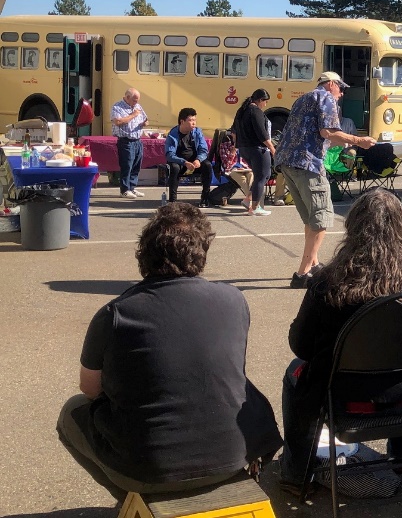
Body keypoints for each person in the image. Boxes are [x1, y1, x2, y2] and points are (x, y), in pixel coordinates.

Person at [56, 204, 282, 501]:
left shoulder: (116, 312)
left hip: (148, 469)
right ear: (202, 252)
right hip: (234, 455)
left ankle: (131, 495)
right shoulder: (233, 299)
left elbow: (89, 388)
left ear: (143, 252)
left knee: (71, 412)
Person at [279, 189, 402, 492]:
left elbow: (301, 345)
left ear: (353, 226)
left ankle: (296, 474)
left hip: (341, 396)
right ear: (401, 228)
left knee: (295, 374)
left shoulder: (328, 280)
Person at [275, 71, 376, 289]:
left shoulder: (303, 98)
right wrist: (359, 141)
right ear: (330, 84)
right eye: (341, 88)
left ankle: (314, 263)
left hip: (288, 162)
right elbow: (328, 132)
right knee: (321, 218)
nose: (341, 93)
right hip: (308, 163)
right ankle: (302, 274)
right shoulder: (326, 97)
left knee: (311, 218)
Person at [233, 89, 277, 216]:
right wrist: (272, 148)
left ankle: (248, 199)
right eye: (265, 102)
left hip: (244, 148)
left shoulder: (241, 110)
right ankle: (255, 207)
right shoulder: (255, 111)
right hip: (258, 148)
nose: (266, 105)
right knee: (261, 176)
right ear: (260, 100)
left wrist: (236, 146)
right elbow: (261, 132)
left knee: (264, 175)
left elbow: (234, 130)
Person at [165, 108, 213, 208]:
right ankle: (172, 201)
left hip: (195, 162)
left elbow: (203, 149)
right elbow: (169, 154)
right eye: (191, 120)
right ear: (182, 121)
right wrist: (184, 162)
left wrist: (198, 160)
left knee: (207, 165)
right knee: (174, 167)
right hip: (180, 163)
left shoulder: (197, 132)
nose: (194, 123)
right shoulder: (172, 134)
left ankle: (205, 197)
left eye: (195, 120)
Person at [110, 88, 148, 199]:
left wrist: (145, 123)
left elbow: (145, 119)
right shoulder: (117, 107)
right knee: (127, 165)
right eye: (134, 100)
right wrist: (133, 115)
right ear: (127, 97)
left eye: (137, 100)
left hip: (137, 140)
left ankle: (132, 187)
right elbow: (118, 122)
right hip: (126, 140)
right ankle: (124, 190)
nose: (136, 102)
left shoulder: (138, 107)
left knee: (136, 165)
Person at [211, 128, 253, 203]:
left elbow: (248, 160)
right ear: (232, 134)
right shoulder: (224, 145)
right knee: (242, 179)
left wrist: (246, 167)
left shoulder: (245, 145)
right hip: (231, 169)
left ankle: (250, 200)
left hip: (245, 168)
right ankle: (253, 200)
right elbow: (227, 163)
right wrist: (233, 151)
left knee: (251, 175)